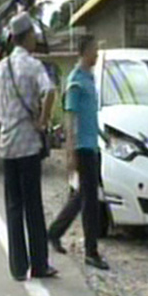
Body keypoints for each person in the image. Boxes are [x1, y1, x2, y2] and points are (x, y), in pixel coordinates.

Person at [0, 12, 58, 281]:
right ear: (26, 36)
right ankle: (40, 265)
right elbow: (49, 91)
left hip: (8, 148)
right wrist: (42, 120)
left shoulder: (1, 68)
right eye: (33, 35)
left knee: (13, 207)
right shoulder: (33, 65)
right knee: (33, 206)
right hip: (28, 147)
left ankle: (18, 268)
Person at [47, 35, 109, 270]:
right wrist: (69, 151)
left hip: (92, 144)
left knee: (83, 195)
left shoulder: (89, 78)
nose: (96, 54)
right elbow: (70, 118)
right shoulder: (75, 81)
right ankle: (91, 252)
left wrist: (103, 137)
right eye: (94, 50)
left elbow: (89, 116)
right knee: (90, 200)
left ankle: (54, 232)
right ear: (84, 52)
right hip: (81, 147)